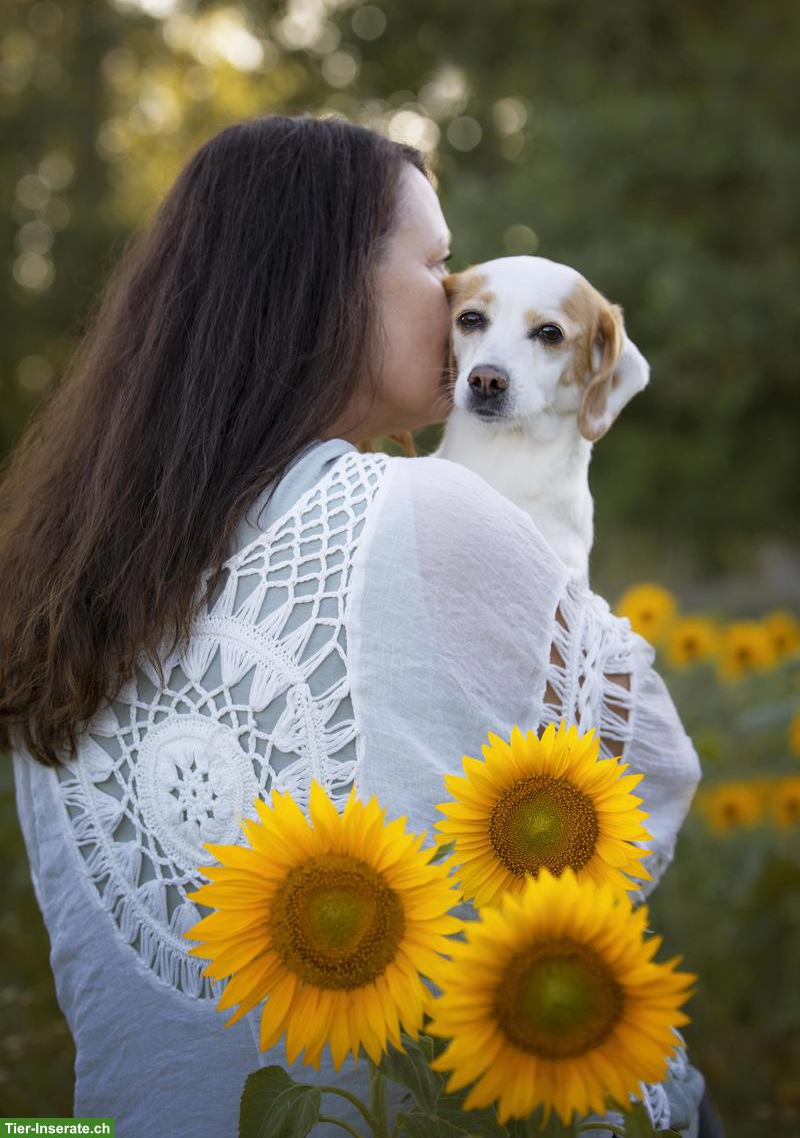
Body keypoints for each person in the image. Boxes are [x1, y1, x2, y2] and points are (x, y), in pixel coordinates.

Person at [0, 114, 722, 1137]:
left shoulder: (60, 586)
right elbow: (644, 772)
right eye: (434, 265)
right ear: (326, 284)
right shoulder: (427, 509)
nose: (455, 298)